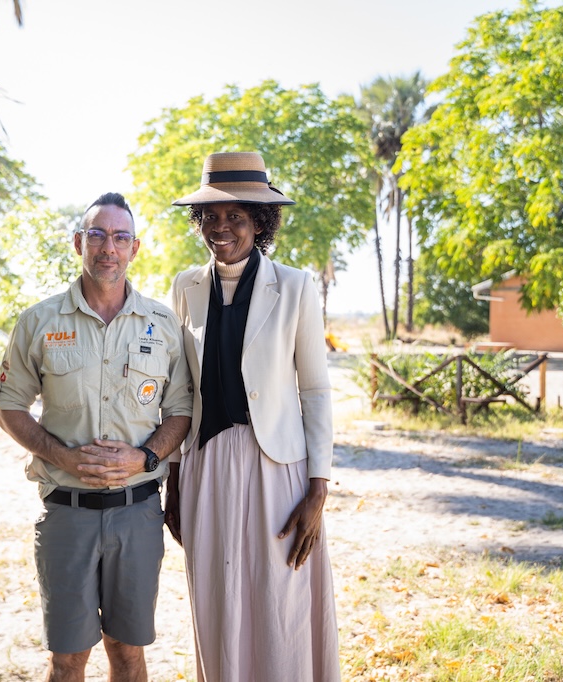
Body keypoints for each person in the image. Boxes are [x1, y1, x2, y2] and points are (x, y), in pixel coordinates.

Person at [0, 191, 193, 682]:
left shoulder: (163, 324)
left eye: (121, 237)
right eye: (98, 235)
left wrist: (145, 457)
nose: (109, 247)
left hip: (137, 515)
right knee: (68, 659)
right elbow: (9, 406)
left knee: (128, 652)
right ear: (78, 242)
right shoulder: (39, 322)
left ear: (135, 248)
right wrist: (62, 455)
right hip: (66, 514)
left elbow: (181, 411)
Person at [165, 152, 341, 681]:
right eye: (210, 217)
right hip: (205, 465)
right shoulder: (185, 287)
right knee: (216, 598)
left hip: (277, 467)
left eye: (236, 216)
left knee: (280, 599)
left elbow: (315, 390)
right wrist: (173, 481)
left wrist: (318, 489)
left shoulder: (295, 287)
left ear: (260, 223)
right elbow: (180, 390)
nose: (221, 228)